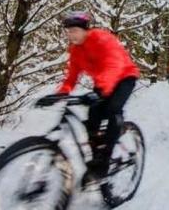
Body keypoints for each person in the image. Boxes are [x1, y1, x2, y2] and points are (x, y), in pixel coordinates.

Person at [36, 12, 139, 183]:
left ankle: (104, 162)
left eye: (74, 30)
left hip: (124, 76)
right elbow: (71, 76)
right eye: (68, 31)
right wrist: (60, 94)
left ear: (85, 30)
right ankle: (95, 161)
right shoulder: (76, 50)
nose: (71, 35)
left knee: (113, 109)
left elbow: (114, 65)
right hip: (104, 81)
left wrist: (100, 91)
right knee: (93, 118)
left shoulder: (102, 39)